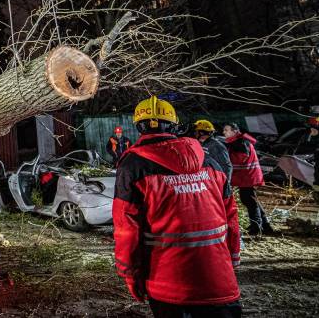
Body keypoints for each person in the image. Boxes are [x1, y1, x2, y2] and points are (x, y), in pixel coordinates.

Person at [114, 96, 241, 317]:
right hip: (219, 281)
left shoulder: (132, 166)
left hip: (167, 287)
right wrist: (233, 257)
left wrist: (130, 274)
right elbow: (231, 215)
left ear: (138, 127)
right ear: (174, 125)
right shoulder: (209, 160)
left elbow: (127, 228)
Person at [222, 123, 273, 236]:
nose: (224, 132)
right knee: (252, 200)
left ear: (235, 131)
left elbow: (240, 158)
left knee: (249, 200)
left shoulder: (241, 143)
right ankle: (265, 225)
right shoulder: (238, 141)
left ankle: (256, 227)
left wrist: (226, 159)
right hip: (247, 177)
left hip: (248, 177)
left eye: (226, 130)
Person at [194, 120, 233, 185]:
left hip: (216, 182)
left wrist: (225, 184)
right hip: (208, 180)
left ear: (201, 133)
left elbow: (227, 166)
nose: (195, 134)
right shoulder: (203, 144)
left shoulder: (216, 146)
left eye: (196, 132)